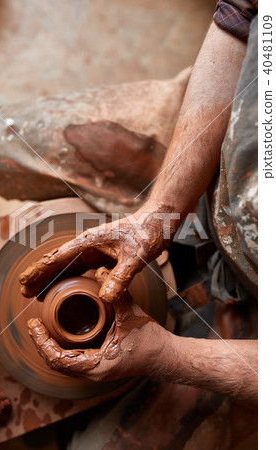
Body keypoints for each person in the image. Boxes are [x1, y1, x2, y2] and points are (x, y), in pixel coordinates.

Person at [19, 0, 258, 405]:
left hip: (254, 328)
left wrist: (168, 355)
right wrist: (157, 212)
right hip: (214, 141)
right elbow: (239, 18)